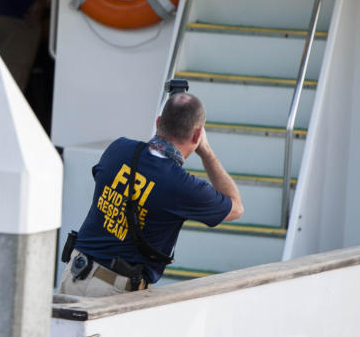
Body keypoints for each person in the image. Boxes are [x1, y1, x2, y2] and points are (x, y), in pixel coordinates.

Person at [58, 92, 244, 297]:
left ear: (158, 122)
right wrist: (206, 151)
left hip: (73, 276)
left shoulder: (118, 149)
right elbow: (236, 207)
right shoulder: (182, 187)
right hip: (113, 293)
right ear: (197, 136)